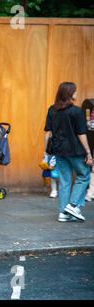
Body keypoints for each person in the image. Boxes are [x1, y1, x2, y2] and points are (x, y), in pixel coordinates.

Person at [44, 82, 92, 222]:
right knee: (84, 176)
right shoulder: (76, 111)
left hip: (59, 150)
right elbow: (81, 133)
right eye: (75, 91)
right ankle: (72, 205)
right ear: (70, 93)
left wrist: (45, 153)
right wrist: (88, 152)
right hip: (75, 150)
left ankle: (63, 213)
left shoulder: (52, 110)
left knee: (64, 181)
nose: (77, 93)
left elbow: (49, 131)